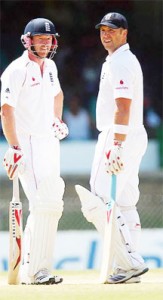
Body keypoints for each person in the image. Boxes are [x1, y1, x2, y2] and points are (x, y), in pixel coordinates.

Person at [75, 12, 149, 284]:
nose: (106, 34)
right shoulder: (121, 60)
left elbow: (123, 107)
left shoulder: (120, 62)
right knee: (126, 201)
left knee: (98, 198)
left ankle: (129, 262)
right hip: (133, 134)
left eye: (112, 30)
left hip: (118, 135)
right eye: (103, 30)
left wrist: (116, 144)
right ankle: (131, 267)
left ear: (124, 33)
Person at [1, 18, 68, 285]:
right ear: (27, 40)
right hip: (27, 142)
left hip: (48, 141)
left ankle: (31, 263)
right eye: (40, 38)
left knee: (52, 203)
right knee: (43, 202)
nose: (46, 42)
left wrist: (57, 120)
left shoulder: (50, 67)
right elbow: (6, 110)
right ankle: (36, 271)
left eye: (49, 39)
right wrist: (14, 146)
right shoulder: (15, 70)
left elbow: (58, 95)